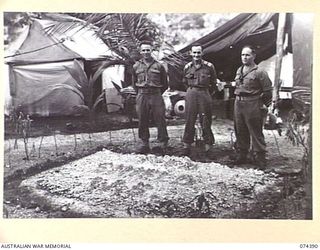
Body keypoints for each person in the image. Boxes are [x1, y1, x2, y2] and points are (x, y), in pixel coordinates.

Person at [233, 45, 273, 169]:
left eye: (247, 55)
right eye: (242, 55)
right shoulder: (239, 70)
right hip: (239, 103)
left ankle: (260, 157)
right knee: (240, 129)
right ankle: (242, 155)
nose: (244, 57)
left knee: (255, 131)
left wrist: (262, 105)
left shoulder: (260, 72)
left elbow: (267, 91)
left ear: (254, 56)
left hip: (253, 103)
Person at [132, 40, 169, 154]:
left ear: (152, 50)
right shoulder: (136, 66)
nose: (146, 52)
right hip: (142, 94)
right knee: (142, 119)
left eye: (148, 50)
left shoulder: (159, 65)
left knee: (160, 119)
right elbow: (134, 83)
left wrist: (156, 91)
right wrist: (141, 92)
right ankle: (144, 143)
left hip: (156, 94)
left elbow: (165, 83)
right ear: (140, 51)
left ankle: (162, 144)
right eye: (143, 50)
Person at [181, 43, 218, 156]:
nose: (196, 55)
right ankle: (187, 145)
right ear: (191, 53)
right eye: (194, 52)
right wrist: (191, 91)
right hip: (191, 93)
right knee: (189, 120)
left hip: (204, 93)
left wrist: (205, 93)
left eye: (198, 52)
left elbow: (214, 83)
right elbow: (184, 83)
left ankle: (208, 146)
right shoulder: (187, 67)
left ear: (202, 53)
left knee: (206, 120)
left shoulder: (209, 66)